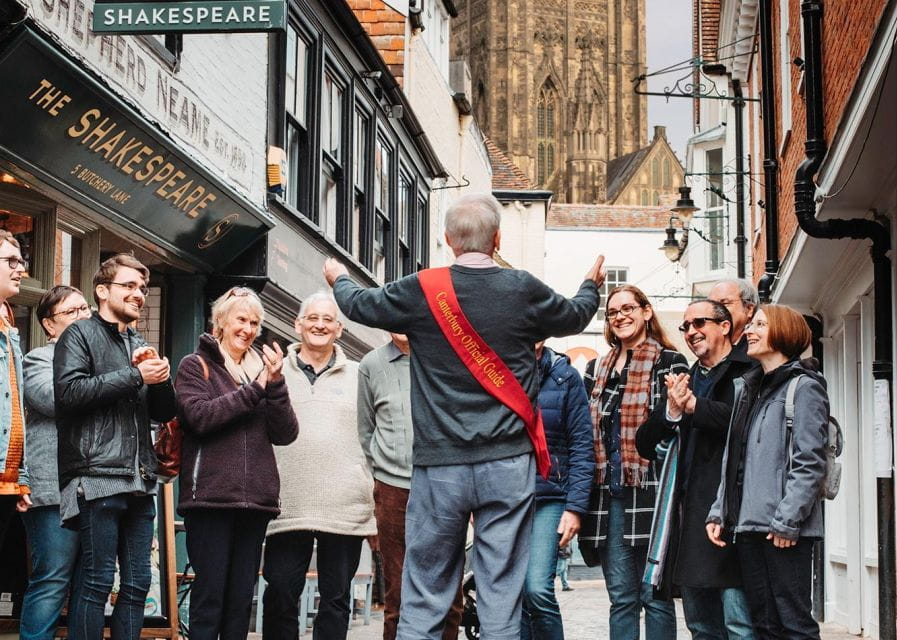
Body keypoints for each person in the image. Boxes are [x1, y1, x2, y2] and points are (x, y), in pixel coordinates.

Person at [324, 193, 603, 639]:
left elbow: (360, 305)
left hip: (440, 466)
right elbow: (576, 314)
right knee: (501, 592)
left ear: (448, 240)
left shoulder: (422, 288)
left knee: (425, 591)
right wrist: (591, 283)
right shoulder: (523, 288)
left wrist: (338, 276)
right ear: (497, 238)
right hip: (508, 464)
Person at [54, 253, 177, 638]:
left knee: (139, 582)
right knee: (96, 581)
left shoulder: (140, 341)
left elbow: (164, 412)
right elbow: (70, 393)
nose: (139, 294)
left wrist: (161, 380)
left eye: (142, 288)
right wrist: (135, 375)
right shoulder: (78, 334)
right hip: (96, 475)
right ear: (102, 291)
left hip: (140, 478)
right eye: (129, 286)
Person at [175, 287, 299, 640]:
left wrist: (275, 386)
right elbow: (199, 417)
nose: (248, 328)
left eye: (255, 322)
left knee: (240, 601)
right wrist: (256, 388)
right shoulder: (195, 366)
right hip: (211, 499)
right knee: (210, 598)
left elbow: (286, 433)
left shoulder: (264, 370)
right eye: (241, 319)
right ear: (221, 322)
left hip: (256, 502)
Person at [636, 299, 756, 638]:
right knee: (700, 626)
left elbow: (746, 424)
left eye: (699, 323)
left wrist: (694, 406)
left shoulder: (749, 370)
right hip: (689, 519)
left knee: (739, 626)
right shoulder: (687, 379)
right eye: (685, 326)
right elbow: (644, 442)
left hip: (734, 516)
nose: (691, 332)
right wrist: (673, 410)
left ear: (725, 326)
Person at [707, 305, 827, 639]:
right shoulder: (748, 388)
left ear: (784, 332)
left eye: (761, 324)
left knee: (795, 625)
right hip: (748, 526)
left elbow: (810, 462)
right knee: (764, 624)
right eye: (752, 324)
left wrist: (788, 521)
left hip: (786, 530)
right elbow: (734, 459)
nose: (750, 330)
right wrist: (720, 511)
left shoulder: (804, 387)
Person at [263, 291, 376, 640]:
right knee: (280, 591)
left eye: (328, 320)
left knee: (337, 598)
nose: (319, 325)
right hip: (288, 502)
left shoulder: (361, 375)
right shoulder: (273, 371)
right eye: (312, 317)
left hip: (345, 504)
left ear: (339, 329)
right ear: (298, 324)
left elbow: (375, 431)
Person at [579, 285, 687, 640]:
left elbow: (675, 426)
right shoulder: (596, 369)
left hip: (653, 492)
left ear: (646, 312)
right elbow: (585, 431)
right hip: (609, 498)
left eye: (628, 308)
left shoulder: (671, 363)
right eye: (613, 312)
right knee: (621, 599)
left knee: (654, 595)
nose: (621, 316)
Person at [358, 332, 462, 640]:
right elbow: (365, 433)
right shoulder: (371, 365)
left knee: (450, 598)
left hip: (442, 486)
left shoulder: (446, 358)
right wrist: (380, 477)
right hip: (392, 490)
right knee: (398, 596)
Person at [19, 286, 91, 640]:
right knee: (52, 579)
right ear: (49, 325)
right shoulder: (38, 359)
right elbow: (52, 399)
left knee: (90, 584)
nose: (83, 317)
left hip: (97, 488)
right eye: (72, 312)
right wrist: (106, 386)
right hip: (53, 490)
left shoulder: (103, 360)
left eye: (85, 309)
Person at [521, 341, 593, 640]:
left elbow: (582, 444)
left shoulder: (566, 376)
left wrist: (575, 507)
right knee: (512, 596)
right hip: (503, 496)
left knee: (537, 588)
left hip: (549, 496)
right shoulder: (495, 367)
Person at [0, 230, 30, 553]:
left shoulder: (8, 322)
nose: (20, 268)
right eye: (10, 260)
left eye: (21, 260)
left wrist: (19, 479)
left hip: (6, 481)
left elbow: (13, 404)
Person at [709, 279, 758, 346]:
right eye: (712, 305)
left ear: (749, 309)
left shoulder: (760, 348)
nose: (714, 311)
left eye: (725, 303)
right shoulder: (708, 350)